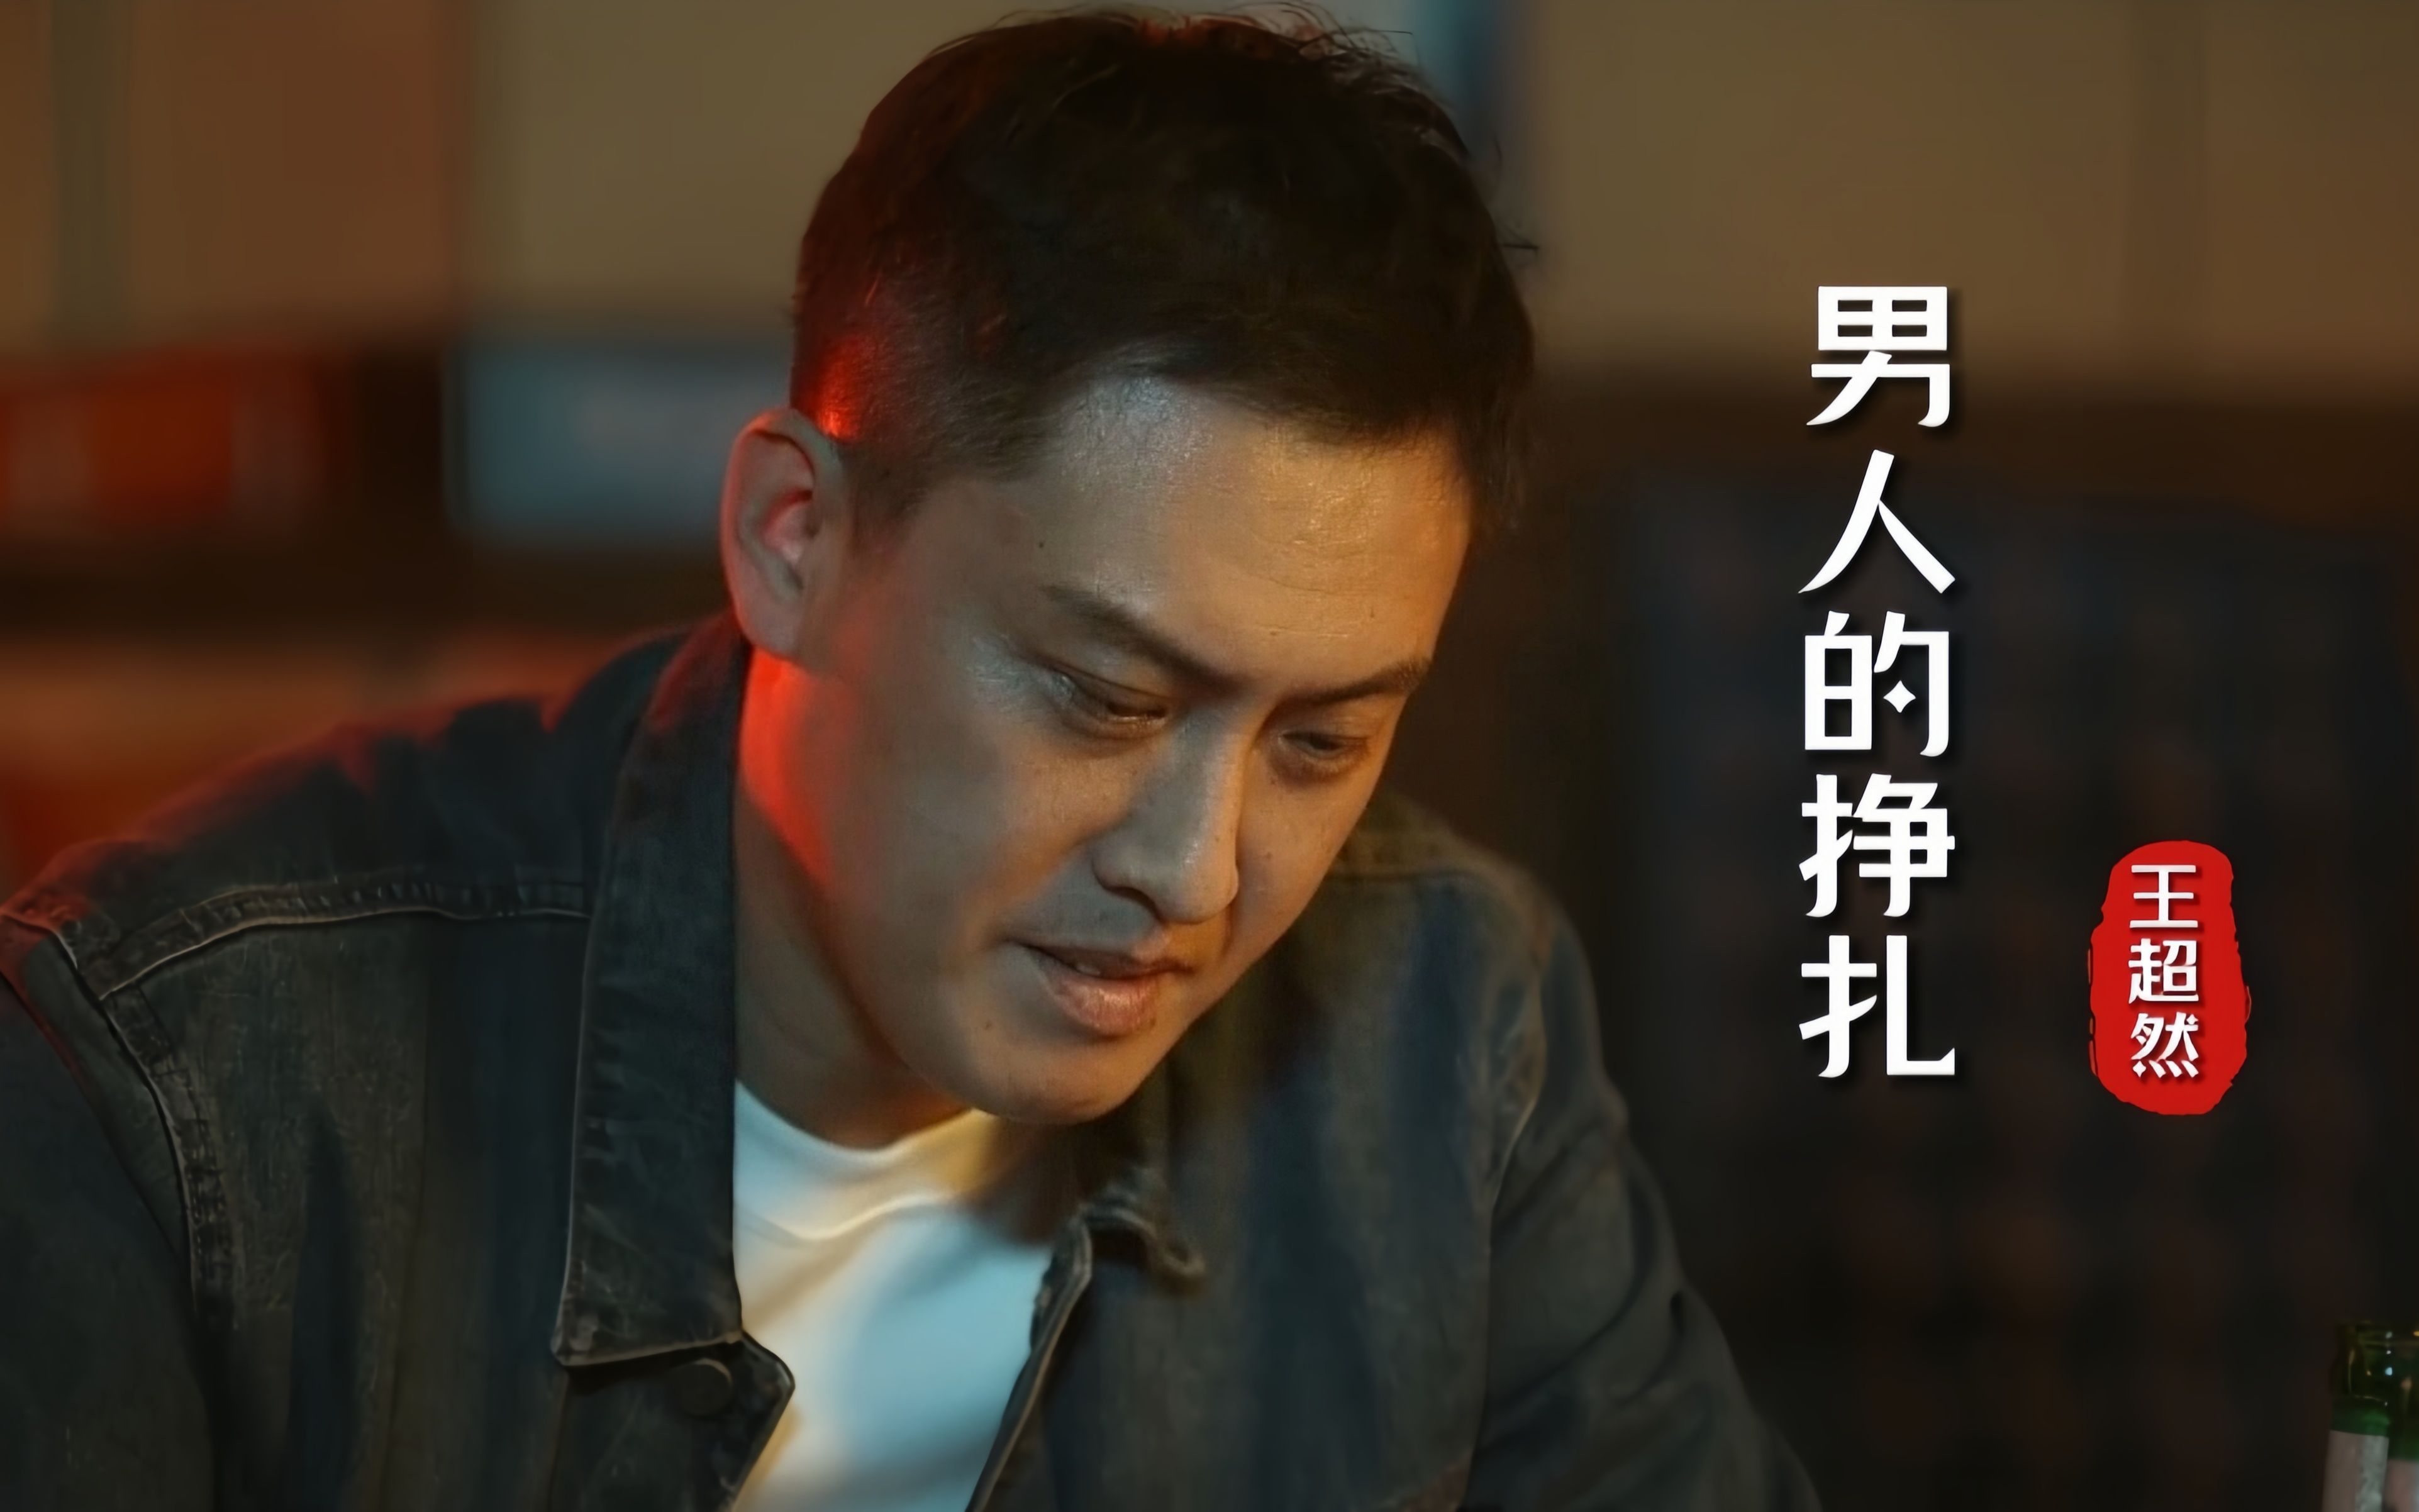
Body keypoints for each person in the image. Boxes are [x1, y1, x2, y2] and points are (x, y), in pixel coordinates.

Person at [0, 11, 1816, 1510]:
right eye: (1105, 696)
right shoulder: (180, 1087)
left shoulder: (1449, 1017)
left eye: (1322, 739)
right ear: (795, 539)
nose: (1197, 868)